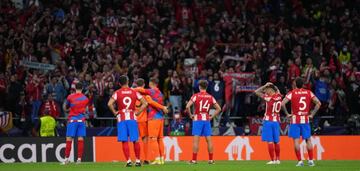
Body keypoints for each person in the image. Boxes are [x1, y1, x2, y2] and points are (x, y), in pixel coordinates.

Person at [107, 75, 148, 167]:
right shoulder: (134, 92)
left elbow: (109, 104)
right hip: (132, 118)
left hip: (121, 118)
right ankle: (138, 161)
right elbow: (145, 103)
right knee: (135, 140)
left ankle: (129, 161)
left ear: (119, 83)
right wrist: (138, 112)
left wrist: (115, 112)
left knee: (124, 140)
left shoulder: (117, 92)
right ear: (128, 82)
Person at [281, 77, 321, 167]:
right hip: (305, 120)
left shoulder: (292, 93)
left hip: (295, 120)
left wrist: (287, 114)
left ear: (295, 84)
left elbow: (282, 104)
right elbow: (318, 103)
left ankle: (300, 161)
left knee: (296, 141)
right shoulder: (308, 92)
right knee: (308, 140)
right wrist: (312, 114)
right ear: (303, 84)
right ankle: (311, 161)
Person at [186, 80, 221, 164]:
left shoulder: (195, 96)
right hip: (206, 120)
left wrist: (191, 115)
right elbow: (219, 108)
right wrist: (212, 116)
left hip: (197, 119)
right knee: (209, 140)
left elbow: (187, 106)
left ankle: (194, 160)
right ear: (206, 87)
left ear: (199, 87)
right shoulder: (210, 97)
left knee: (196, 141)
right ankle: (211, 160)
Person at [134, 78, 168, 165]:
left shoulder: (150, 92)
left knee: (153, 138)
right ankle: (161, 159)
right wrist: (162, 107)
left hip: (153, 117)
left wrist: (129, 89)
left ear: (151, 83)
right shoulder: (159, 92)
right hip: (160, 118)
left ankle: (156, 158)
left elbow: (150, 100)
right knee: (160, 139)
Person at [254, 82, 282, 164]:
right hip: (276, 121)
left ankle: (272, 160)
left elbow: (256, 92)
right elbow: (277, 90)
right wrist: (273, 86)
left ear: (270, 90)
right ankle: (278, 160)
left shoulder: (269, 98)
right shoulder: (279, 97)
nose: (265, 91)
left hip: (268, 121)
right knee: (277, 141)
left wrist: (264, 85)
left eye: (266, 90)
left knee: (270, 141)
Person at [62, 82, 89, 165]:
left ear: (75, 88)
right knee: (80, 139)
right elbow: (86, 110)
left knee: (69, 139)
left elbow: (65, 108)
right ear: (82, 88)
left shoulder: (70, 97)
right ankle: (79, 160)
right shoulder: (85, 98)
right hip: (81, 120)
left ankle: (66, 159)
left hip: (72, 120)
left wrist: (69, 109)